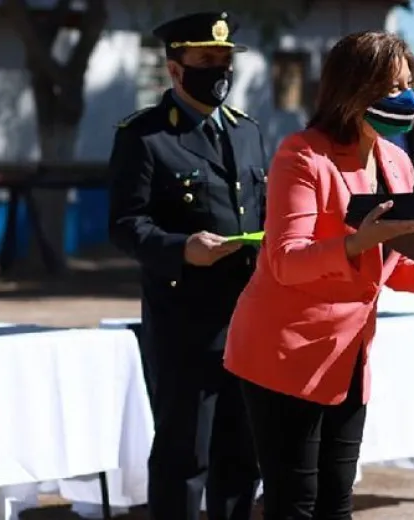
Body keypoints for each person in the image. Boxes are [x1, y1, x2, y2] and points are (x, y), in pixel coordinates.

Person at [222, 31, 414, 520]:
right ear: (356, 90)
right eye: (395, 86)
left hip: (349, 357)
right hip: (285, 353)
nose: (408, 96)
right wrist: (356, 242)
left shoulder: (396, 161)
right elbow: (286, 259)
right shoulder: (302, 155)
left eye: (410, 84)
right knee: (294, 503)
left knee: (337, 499)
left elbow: (387, 265)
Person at [108, 12, 264, 520]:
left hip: (247, 318)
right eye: (205, 59)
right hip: (185, 323)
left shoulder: (246, 131)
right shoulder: (145, 136)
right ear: (175, 70)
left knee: (241, 455)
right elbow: (125, 224)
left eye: (224, 60)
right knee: (185, 456)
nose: (219, 70)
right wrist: (180, 248)